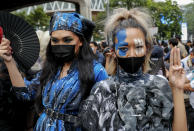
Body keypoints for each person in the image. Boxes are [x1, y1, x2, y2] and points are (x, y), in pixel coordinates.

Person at [79, 8, 187, 131]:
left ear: (146, 49)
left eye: (138, 47)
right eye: (124, 48)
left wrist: (177, 89)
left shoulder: (160, 86)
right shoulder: (102, 90)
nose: (132, 54)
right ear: (114, 52)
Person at [0, 12, 108, 130]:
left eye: (67, 40)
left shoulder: (96, 71)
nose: (60, 45)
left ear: (81, 41)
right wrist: (9, 61)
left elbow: (105, 116)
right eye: (55, 40)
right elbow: (25, 95)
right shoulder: (50, 70)